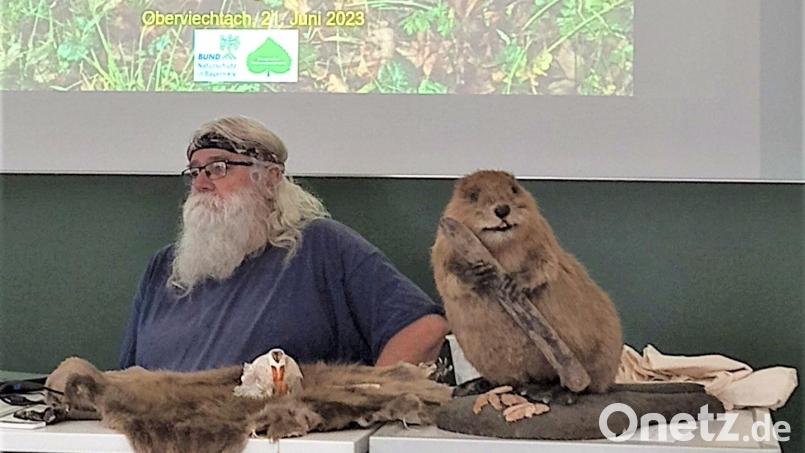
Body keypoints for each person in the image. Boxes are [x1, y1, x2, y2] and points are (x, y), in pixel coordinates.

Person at [118, 116, 448, 372]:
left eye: (218, 168)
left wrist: (366, 402)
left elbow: (424, 330)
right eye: (195, 171)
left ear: (271, 178)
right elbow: (125, 376)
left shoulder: (321, 248)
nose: (201, 183)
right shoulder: (164, 269)